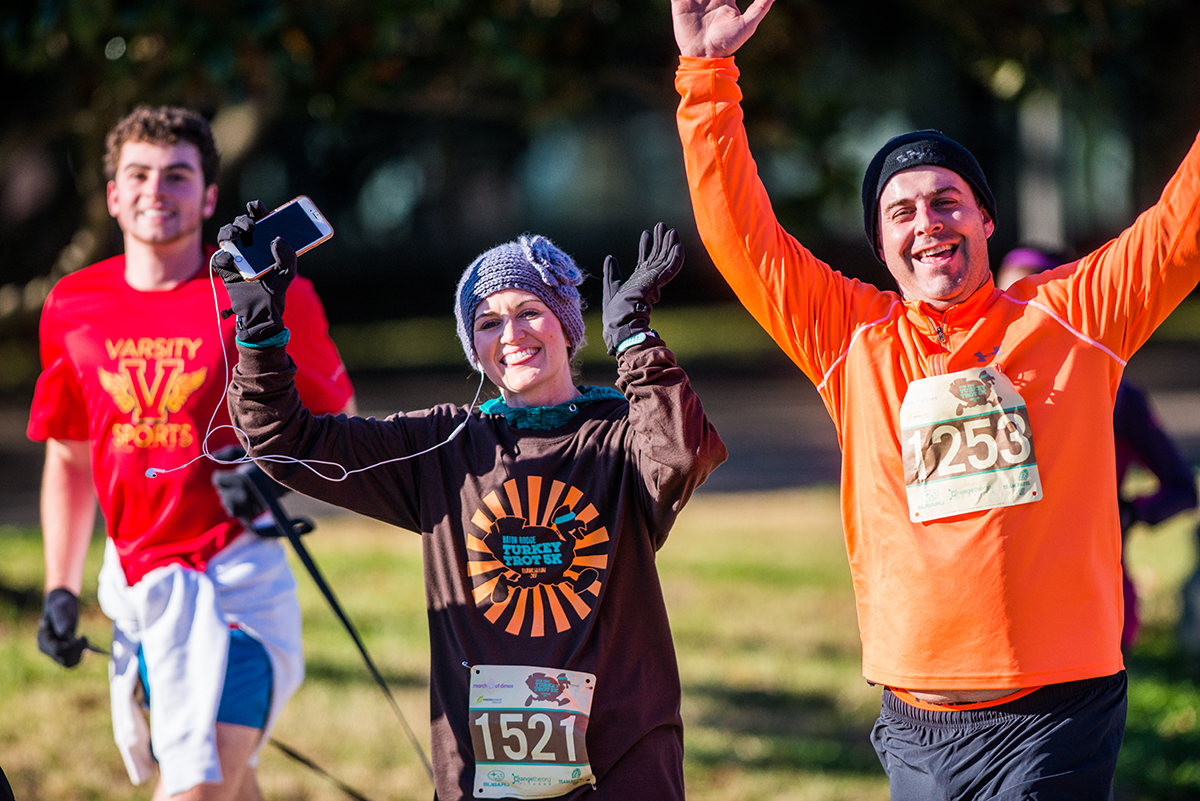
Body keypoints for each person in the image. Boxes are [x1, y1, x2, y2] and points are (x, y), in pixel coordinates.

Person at [671, 0, 1200, 796]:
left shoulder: (1074, 314)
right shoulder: (847, 336)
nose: (928, 223)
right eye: (901, 210)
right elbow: (740, 238)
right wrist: (708, 76)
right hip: (915, 722)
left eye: (947, 201)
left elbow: (1181, 226)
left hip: (1055, 714)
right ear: (882, 244)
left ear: (987, 218)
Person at [217, 214, 726, 800]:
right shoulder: (443, 446)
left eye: (530, 311)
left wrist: (635, 340)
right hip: (480, 778)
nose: (511, 334)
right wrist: (257, 330)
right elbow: (289, 445)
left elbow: (683, 456)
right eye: (488, 322)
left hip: (623, 767)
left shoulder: (618, 436)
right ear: (473, 346)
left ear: (565, 323)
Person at [27, 105, 356, 801]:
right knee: (232, 784)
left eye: (178, 175)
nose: (156, 190)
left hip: (235, 579)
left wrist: (266, 476)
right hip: (139, 591)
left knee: (198, 783)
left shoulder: (265, 293)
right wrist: (60, 587)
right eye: (138, 175)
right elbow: (69, 459)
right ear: (112, 194)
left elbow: (340, 426)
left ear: (209, 195)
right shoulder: (71, 305)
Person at [999, 245, 1199, 652]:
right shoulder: (977, 396)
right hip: (1004, 610)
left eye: (1031, 302)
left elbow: (1182, 487)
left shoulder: (1119, 397)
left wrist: (1127, 513)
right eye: (1004, 303)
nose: (1014, 317)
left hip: (1096, 606)